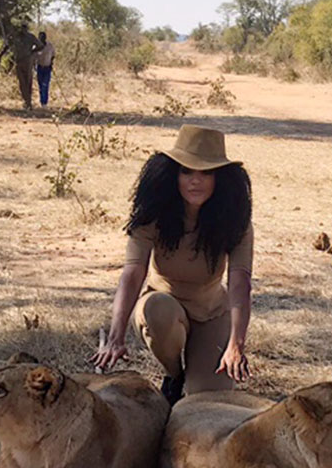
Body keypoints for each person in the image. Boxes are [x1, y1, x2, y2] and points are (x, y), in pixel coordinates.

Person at [92, 125, 253, 405]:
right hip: (163, 306)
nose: (195, 181)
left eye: (207, 172)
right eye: (186, 171)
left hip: (212, 312)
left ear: (221, 179)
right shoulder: (151, 216)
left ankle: (196, 374)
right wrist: (116, 336)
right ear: (172, 175)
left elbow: (240, 282)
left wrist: (235, 345)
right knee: (158, 310)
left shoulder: (235, 221)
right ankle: (174, 374)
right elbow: (132, 274)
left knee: (209, 403)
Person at [10, 22, 43, 110]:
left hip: (28, 61)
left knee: (28, 81)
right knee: (22, 82)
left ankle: (28, 102)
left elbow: (40, 46)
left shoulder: (30, 37)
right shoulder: (16, 37)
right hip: (19, 61)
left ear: (26, 29)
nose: (23, 30)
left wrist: (32, 52)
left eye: (24, 28)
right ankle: (26, 101)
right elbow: (9, 46)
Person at [35, 31, 55, 107]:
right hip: (39, 67)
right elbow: (34, 57)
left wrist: (51, 62)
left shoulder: (50, 46)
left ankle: (45, 102)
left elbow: (53, 55)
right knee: (40, 85)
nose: (41, 38)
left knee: (45, 85)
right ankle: (41, 101)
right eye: (40, 37)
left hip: (47, 67)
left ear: (45, 38)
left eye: (43, 37)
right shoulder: (36, 47)